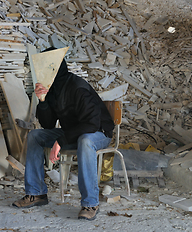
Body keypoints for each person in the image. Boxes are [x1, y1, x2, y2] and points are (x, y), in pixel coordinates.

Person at [12, 47, 115, 221]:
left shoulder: (77, 87)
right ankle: (36, 194)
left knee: (85, 141)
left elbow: (91, 124)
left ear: (56, 66)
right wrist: (42, 101)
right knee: (35, 136)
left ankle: (90, 203)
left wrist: (61, 140)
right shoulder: (52, 89)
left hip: (98, 133)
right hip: (74, 132)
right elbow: (48, 124)